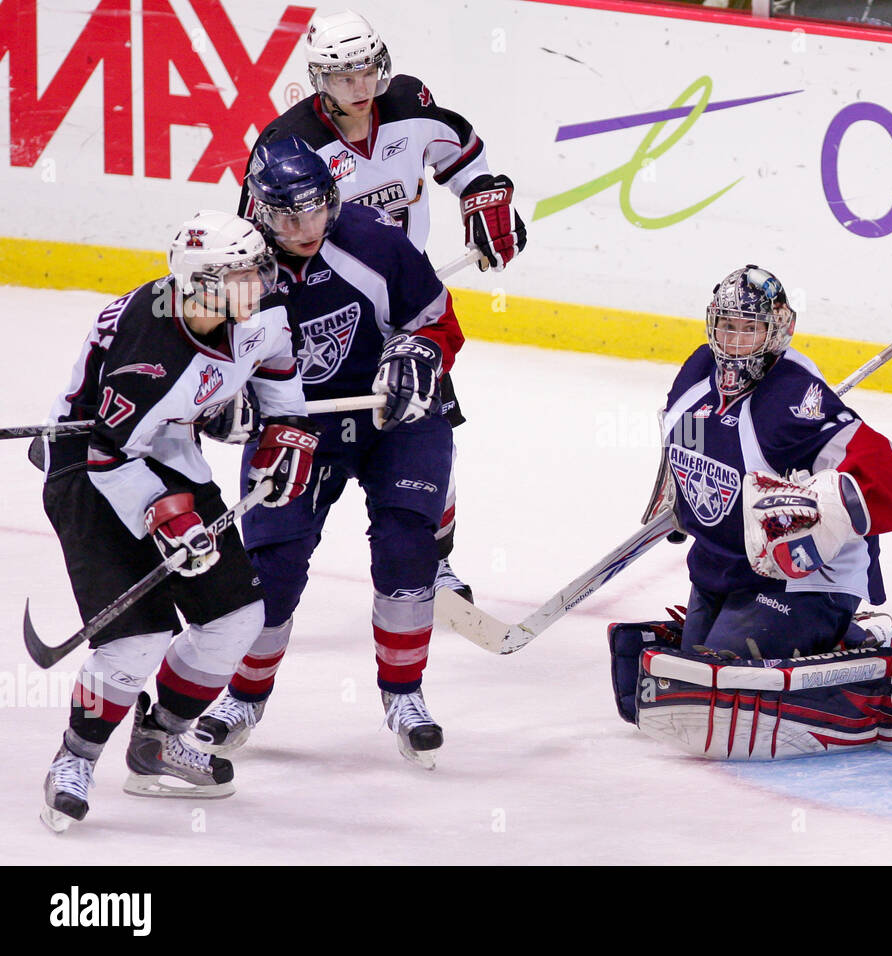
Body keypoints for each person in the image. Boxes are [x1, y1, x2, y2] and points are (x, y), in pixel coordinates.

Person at [38, 211, 318, 831]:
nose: (264, 281)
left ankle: (159, 739)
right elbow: (108, 453)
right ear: (202, 284)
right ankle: (75, 757)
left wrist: (283, 430)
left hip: (164, 454)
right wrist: (161, 516)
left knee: (237, 616)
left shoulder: (257, 309)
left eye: (258, 267)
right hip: (90, 470)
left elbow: (277, 374)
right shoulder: (151, 349)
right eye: (246, 273)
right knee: (136, 641)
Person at [238, 8, 528, 600]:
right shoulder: (287, 146)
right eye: (344, 76)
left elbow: (464, 156)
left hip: (400, 300)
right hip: (321, 311)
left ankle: (434, 562)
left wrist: (486, 200)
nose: (360, 86)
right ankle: (269, 574)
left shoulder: (411, 107)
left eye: (367, 70)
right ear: (320, 78)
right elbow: (254, 242)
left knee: (430, 435)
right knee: (305, 445)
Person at [608, 266, 892, 759]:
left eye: (750, 329)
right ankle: (844, 638)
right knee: (675, 683)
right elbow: (685, 444)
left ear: (778, 329)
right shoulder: (696, 372)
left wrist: (823, 510)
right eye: (727, 325)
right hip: (722, 570)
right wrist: (680, 498)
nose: (735, 341)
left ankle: (878, 675)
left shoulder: (797, 399)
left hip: (800, 582)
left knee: (721, 690)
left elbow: (891, 489)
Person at [196, 137, 464, 769]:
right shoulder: (236, 270)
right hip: (296, 428)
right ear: (259, 211)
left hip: (393, 413)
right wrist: (222, 399)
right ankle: (243, 696)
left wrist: (420, 353)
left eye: (314, 210)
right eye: (286, 216)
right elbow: (203, 359)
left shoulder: (374, 241)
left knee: (407, 546)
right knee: (272, 567)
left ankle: (405, 695)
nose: (302, 227)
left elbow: (438, 320)